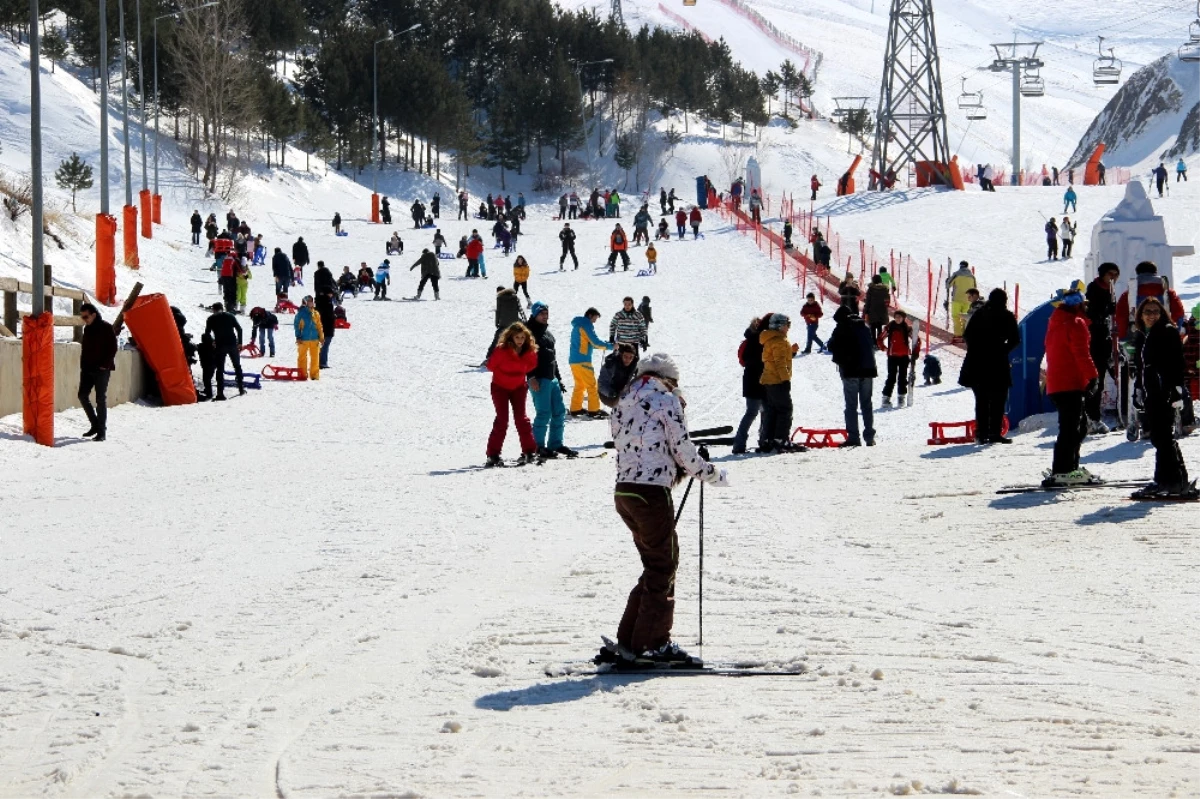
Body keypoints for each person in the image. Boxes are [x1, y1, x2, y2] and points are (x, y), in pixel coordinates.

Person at [605, 352, 728, 665]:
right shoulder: (666, 399)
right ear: (668, 378)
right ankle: (653, 644)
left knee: (655, 564)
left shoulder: (623, 400)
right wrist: (710, 473)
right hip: (650, 493)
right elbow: (681, 449)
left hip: (626, 491)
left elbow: (640, 446)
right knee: (664, 565)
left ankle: (631, 640)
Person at [1132, 297, 1196, 498]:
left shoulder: (1166, 331)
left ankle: (1169, 482)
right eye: (1147, 312)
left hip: (1163, 391)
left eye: (1155, 311)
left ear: (1162, 313)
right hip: (1154, 391)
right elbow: (1144, 368)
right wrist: (1139, 390)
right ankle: (1173, 480)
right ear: (1141, 315)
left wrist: (1174, 389)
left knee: (1162, 437)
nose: (1151, 315)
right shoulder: (1147, 334)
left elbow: (1177, 362)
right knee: (1162, 437)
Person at [1042, 281, 1099, 487]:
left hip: (1057, 384)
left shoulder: (1056, 323)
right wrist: (1093, 377)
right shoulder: (1076, 323)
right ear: (1079, 305)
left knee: (1077, 426)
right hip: (1071, 383)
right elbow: (1081, 353)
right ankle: (1063, 470)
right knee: (1072, 429)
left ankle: (1069, 468)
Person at [957, 289, 1019, 443]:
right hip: (997, 362)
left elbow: (967, 335)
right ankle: (994, 433)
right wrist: (1002, 350)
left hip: (977, 362)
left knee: (982, 400)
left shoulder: (979, 314)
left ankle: (981, 433)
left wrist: (976, 350)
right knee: (998, 399)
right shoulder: (1007, 316)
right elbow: (1015, 339)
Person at [484, 322, 540, 467]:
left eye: (522, 337)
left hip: (518, 387)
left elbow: (531, 365)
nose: (520, 340)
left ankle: (529, 451)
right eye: (517, 337)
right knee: (502, 420)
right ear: (511, 337)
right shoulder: (502, 350)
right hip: (500, 387)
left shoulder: (528, 351)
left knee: (522, 419)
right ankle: (493, 454)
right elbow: (490, 366)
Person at [525, 302, 573, 459]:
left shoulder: (547, 333)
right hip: (538, 379)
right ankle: (537, 446)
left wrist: (558, 378)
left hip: (551, 379)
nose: (545, 316)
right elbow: (525, 357)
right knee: (544, 413)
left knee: (559, 412)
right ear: (534, 315)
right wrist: (530, 377)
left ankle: (555, 444)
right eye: (541, 314)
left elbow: (552, 357)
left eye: (546, 313)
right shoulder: (528, 333)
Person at [827, 300, 877, 447]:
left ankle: (854, 437)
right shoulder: (864, 326)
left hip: (850, 371)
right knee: (867, 405)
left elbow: (831, 345)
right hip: (868, 370)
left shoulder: (841, 328)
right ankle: (869, 437)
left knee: (851, 406)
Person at [758, 313, 800, 453]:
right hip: (777, 380)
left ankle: (768, 439)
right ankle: (781, 439)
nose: (788, 328)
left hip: (769, 380)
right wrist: (785, 379)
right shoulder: (779, 341)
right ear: (780, 326)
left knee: (772, 410)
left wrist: (791, 351)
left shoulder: (771, 340)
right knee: (785, 409)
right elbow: (780, 363)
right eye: (787, 325)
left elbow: (777, 358)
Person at [1085, 262, 1119, 432]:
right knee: (1095, 379)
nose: (1113, 278)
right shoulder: (1094, 290)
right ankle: (1092, 417)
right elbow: (1093, 314)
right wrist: (1107, 310)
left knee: (1106, 377)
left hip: (1104, 340)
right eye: (1111, 274)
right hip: (1095, 340)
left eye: (1116, 275)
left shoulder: (1108, 290)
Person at [1116, 261, 1187, 339]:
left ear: (1138, 273)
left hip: (1137, 336)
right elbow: (1178, 313)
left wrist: (1123, 337)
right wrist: (1174, 332)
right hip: (1163, 335)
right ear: (1155, 272)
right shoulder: (1168, 292)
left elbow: (1121, 316)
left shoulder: (1128, 294)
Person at [77, 303, 118, 440]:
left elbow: (113, 348)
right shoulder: (87, 329)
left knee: (100, 399)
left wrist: (104, 365)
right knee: (82, 395)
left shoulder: (106, 327)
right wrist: (83, 366)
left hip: (102, 370)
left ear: (94, 315)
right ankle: (95, 424)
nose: (84, 319)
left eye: (86, 316)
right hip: (87, 369)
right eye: (82, 317)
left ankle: (102, 431)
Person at [733, 314, 767, 454]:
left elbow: (742, 360)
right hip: (760, 380)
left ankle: (741, 444)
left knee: (754, 412)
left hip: (751, 380)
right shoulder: (761, 342)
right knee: (760, 412)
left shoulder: (748, 341)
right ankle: (762, 441)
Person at [568, 308, 611, 417]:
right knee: (592, 385)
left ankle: (575, 408)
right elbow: (595, 342)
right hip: (583, 361)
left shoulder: (577, 325)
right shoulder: (586, 325)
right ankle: (594, 410)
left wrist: (605, 344)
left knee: (580, 385)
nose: (595, 321)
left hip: (574, 360)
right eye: (595, 318)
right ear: (590, 315)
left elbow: (588, 343)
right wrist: (611, 346)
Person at [204, 302, 245, 400]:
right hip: (232, 344)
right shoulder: (230, 316)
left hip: (220, 346)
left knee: (220, 369)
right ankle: (241, 388)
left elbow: (207, 333)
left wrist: (212, 342)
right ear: (222, 308)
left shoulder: (211, 319)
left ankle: (220, 393)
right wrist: (240, 343)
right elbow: (239, 329)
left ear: (214, 309)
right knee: (237, 366)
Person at [878, 309, 915, 407]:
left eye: (900, 317)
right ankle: (886, 399)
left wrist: (915, 351)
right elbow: (880, 338)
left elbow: (917, 341)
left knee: (902, 378)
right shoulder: (890, 327)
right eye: (896, 317)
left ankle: (901, 399)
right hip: (892, 356)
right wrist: (884, 348)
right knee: (891, 377)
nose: (898, 319)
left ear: (903, 318)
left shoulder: (907, 328)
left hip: (904, 356)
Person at [293, 295, 324, 381]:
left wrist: (321, 337)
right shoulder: (301, 314)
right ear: (306, 303)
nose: (311, 303)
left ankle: (314, 375)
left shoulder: (316, 313)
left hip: (314, 339)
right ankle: (302, 374)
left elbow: (319, 326)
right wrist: (298, 336)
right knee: (302, 357)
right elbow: (297, 326)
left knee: (315, 358)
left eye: (312, 301)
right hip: (304, 339)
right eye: (309, 301)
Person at [599, 343, 638, 407]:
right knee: (623, 404)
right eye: (625, 356)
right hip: (608, 395)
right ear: (621, 354)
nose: (628, 360)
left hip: (622, 392)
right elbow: (602, 385)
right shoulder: (611, 364)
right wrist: (612, 393)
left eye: (631, 357)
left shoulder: (634, 365)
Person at [946, 261, 977, 336]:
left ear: (960, 266)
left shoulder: (956, 274)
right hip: (968, 300)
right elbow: (974, 288)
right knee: (965, 318)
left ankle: (957, 335)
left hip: (957, 299)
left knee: (956, 316)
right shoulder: (972, 276)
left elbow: (948, 285)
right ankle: (964, 334)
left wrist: (947, 280)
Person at [863, 274, 891, 342]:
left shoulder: (871, 289)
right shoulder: (885, 290)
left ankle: (873, 342)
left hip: (872, 311)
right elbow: (887, 302)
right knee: (879, 327)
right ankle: (879, 342)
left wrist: (866, 311)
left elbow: (868, 302)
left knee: (872, 327)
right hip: (882, 312)